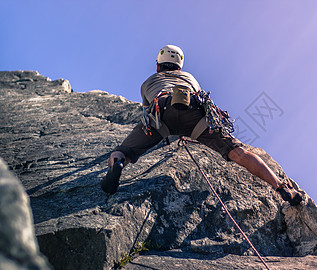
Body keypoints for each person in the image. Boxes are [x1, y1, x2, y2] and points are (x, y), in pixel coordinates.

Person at [101, 45, 304, 206]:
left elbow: (147, 113)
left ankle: (118, 163)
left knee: (124, 151)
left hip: (161, 113)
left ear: (158, 66)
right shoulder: (189, 78)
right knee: (238, 153)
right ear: (179, 67)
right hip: (194, 116)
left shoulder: (148, 82)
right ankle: (280, 187)